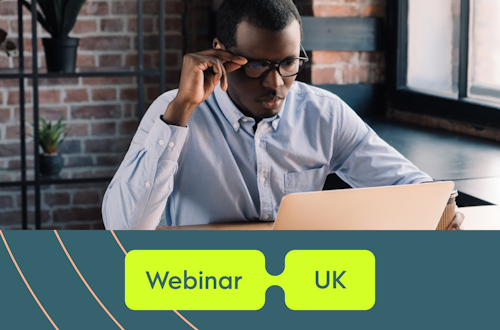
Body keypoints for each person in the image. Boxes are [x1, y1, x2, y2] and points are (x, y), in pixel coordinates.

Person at [102, 0, 464, 230]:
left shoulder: (324, 113)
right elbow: (125, 230)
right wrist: (181, 114)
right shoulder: (172, 110)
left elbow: (412, 188)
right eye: (258, 64)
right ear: (220, 56)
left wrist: (440, 209)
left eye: (289, 63)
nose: (276, 83)